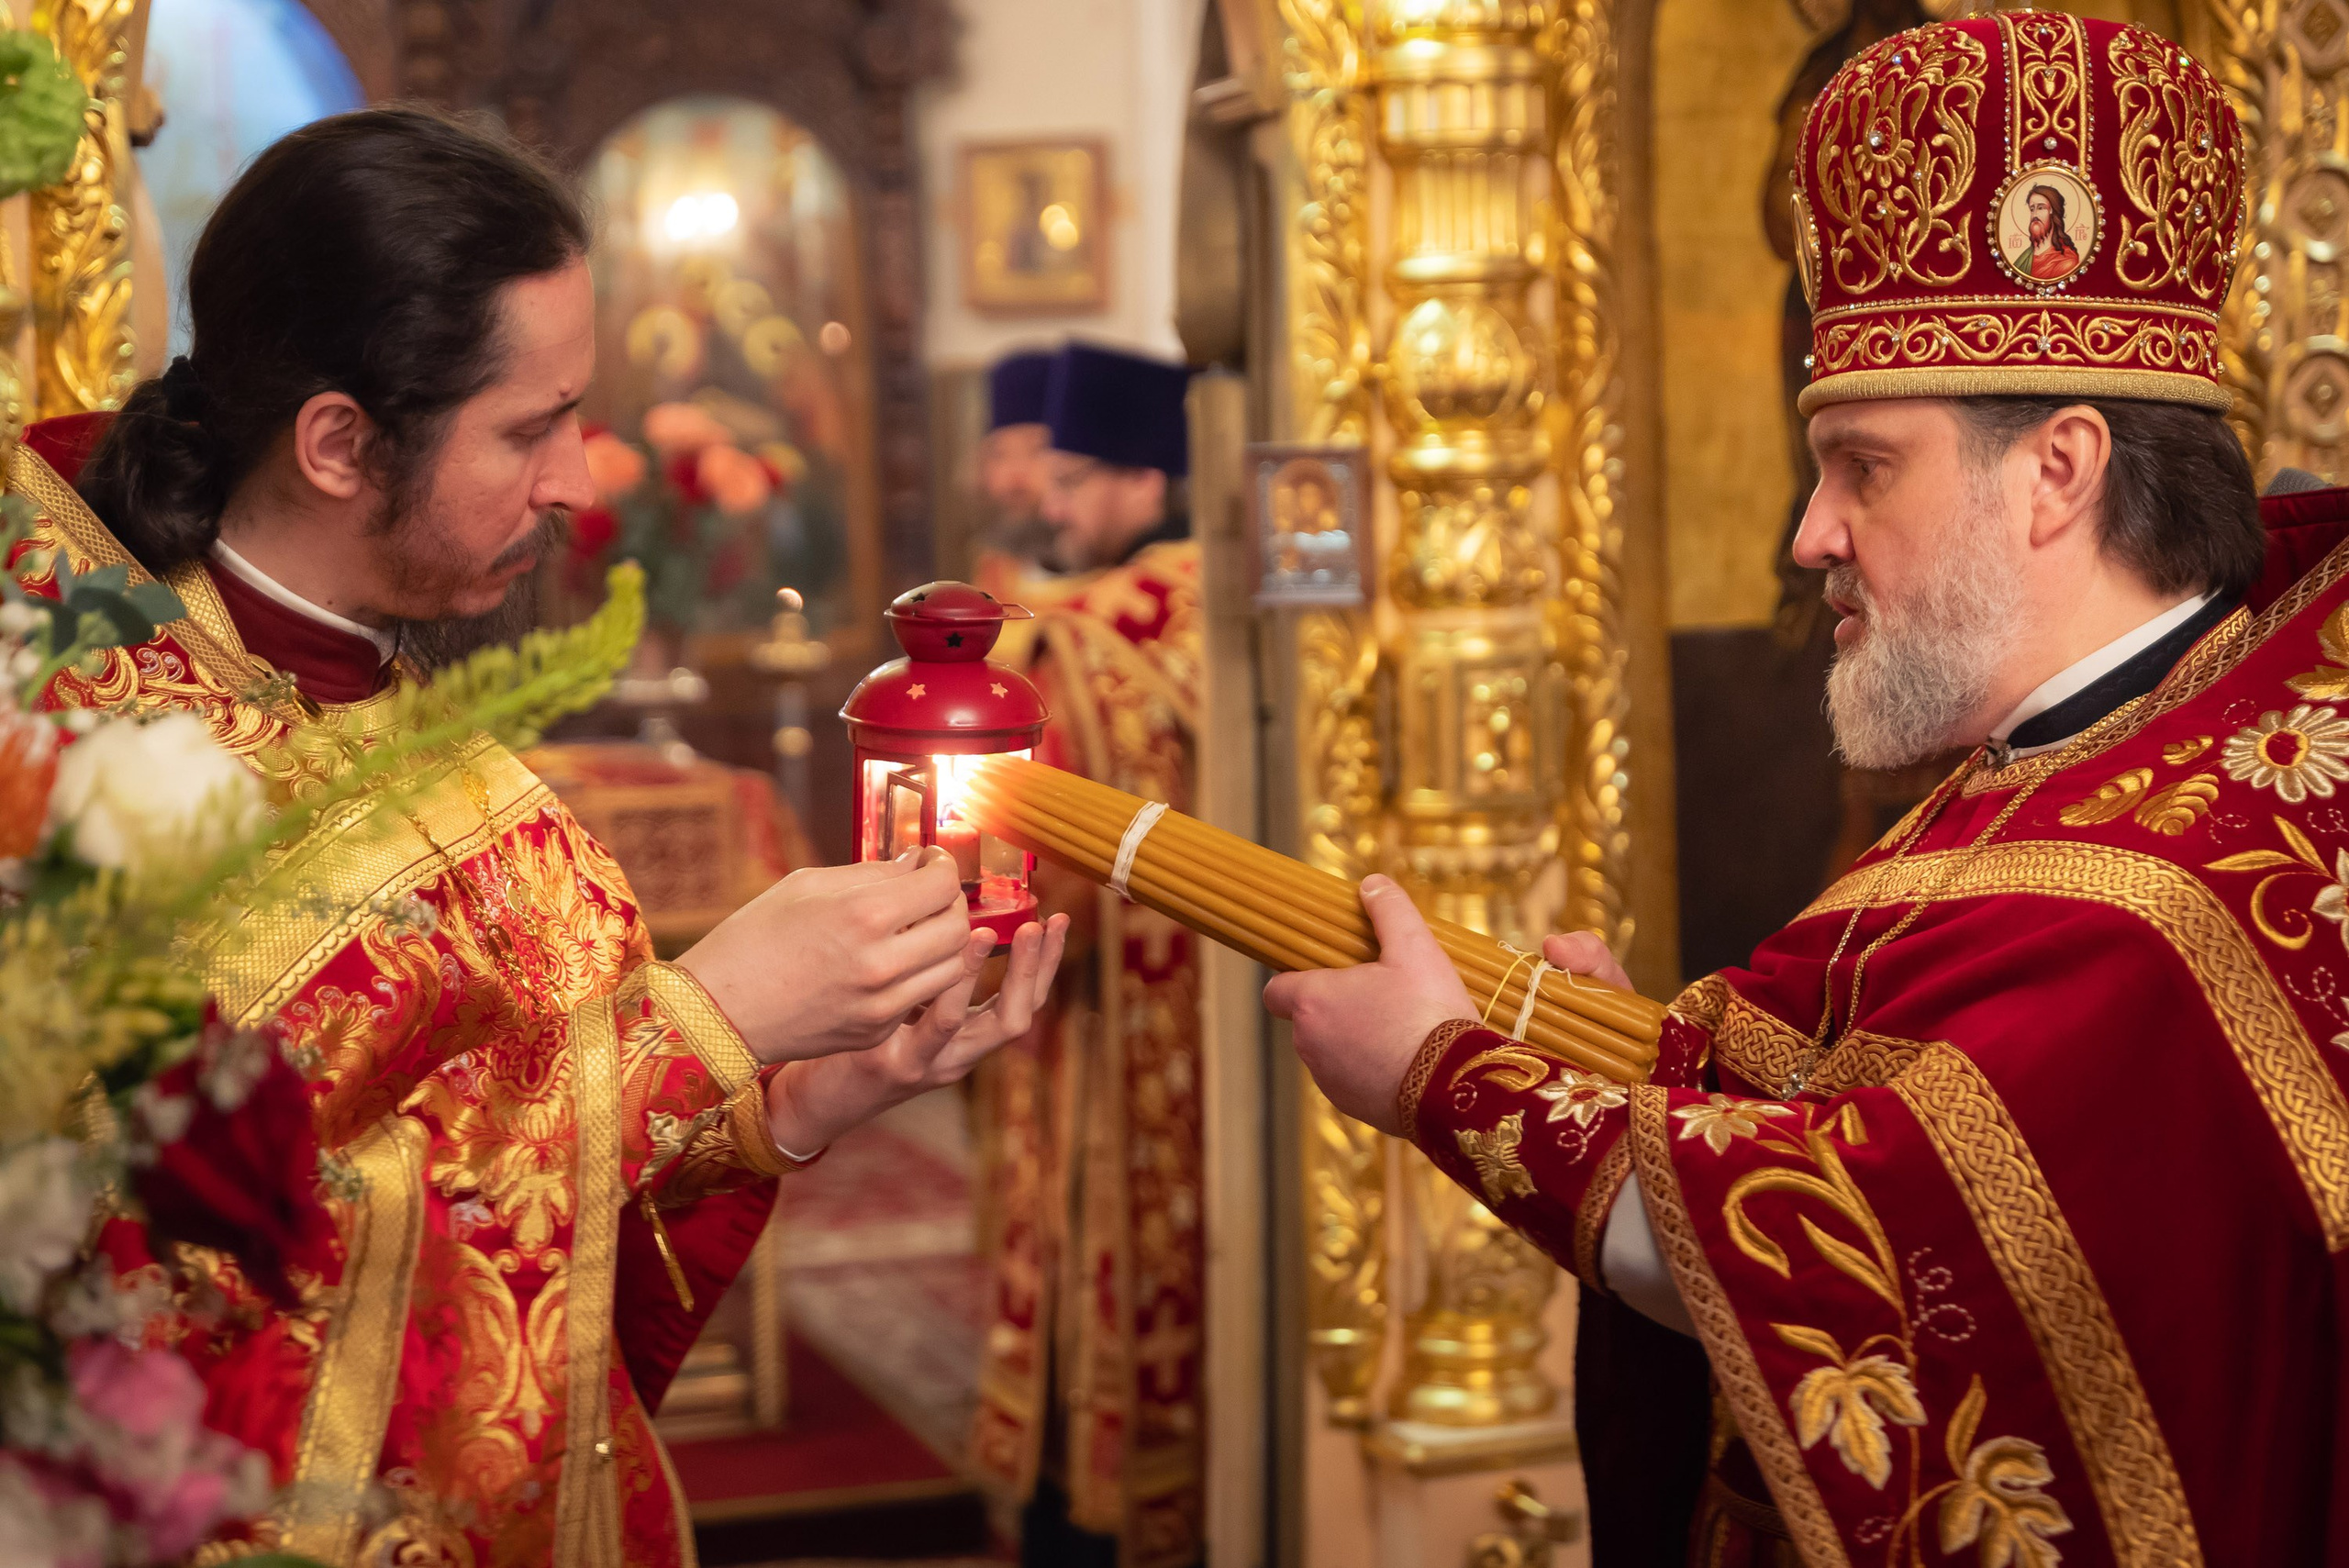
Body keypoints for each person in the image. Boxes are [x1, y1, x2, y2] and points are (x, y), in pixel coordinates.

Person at [1275, 17, 2345, 1564]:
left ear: (2058, 470)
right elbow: (1907, 1087)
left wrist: (1445, 1079)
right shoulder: (2134, 742)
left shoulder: (2173, 886)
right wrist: (1626, 1048)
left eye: (1862, 465)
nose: (1810, 535)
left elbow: (1869, 1256)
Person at [24, 106, 1066, 1567]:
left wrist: (791, 1103)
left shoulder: (406, 713)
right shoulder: (83, 770)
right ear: (337, 442)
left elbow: (513, 1163)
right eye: (530, 428)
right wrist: (705, 1022)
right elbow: (207, 1279)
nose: (580, 479)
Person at [971, 341, 1202, 1568]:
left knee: (1087, 1272)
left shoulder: (1075, 637)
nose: (1051, 507)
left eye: (1074, 479)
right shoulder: (1225, 608)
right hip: (1222, 1043)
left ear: (1144, 478)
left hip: (1108, 1032)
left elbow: (1027, 856)